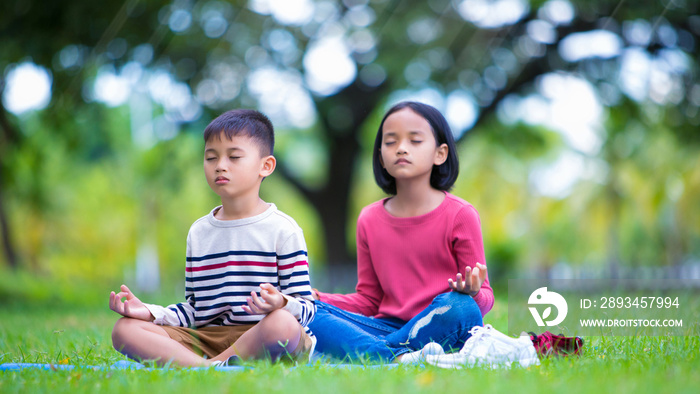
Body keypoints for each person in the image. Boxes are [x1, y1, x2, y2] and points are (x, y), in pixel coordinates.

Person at [109, 109, 316, 367]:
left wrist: (281, 302)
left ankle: (203, 366)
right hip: (207, 338)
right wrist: (151, 313)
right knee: (124, 329)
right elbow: (195, 311)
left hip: (262, 334)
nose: (220, 165)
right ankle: (213, 367)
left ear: (266, 166)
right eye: (211, 157)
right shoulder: (199, 232)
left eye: (234, 156)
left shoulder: (284, 230)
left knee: (282, 324)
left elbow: (307, 309)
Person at [308, 101, 494, 363]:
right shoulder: (369, 218)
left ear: (440, 154)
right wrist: (317, 297)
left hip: (440, 323)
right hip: (385, 328)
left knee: (460, 307)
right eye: (391, 142)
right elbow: (368, 301)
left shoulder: (460, 215)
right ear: (381, 155)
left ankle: (375, 355)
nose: (401, 148)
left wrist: (473, 293)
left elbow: (485, 299)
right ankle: (395, 358)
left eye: (415, 140)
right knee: (307, 312)